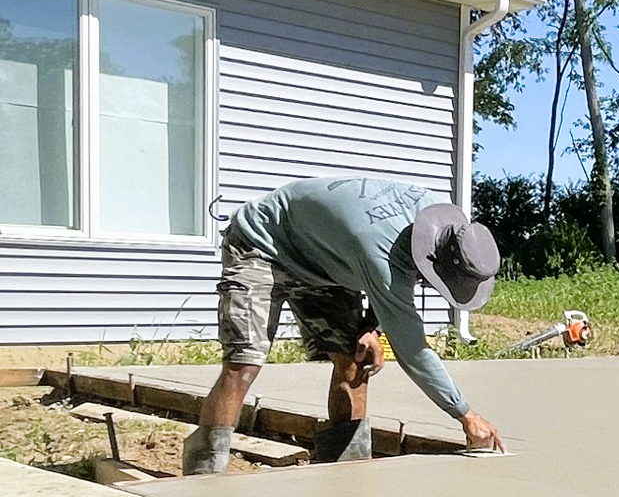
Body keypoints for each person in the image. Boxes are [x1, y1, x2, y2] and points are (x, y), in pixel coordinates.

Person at [182, 177, 504, 475]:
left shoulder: (443, 227)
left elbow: (396, 279)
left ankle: (345, 470)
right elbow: (413, 351)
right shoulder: (378, 250)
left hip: (322, 260)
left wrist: (371, 328)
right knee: (244, 362)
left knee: (356, 358)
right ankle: (204, 472)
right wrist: (466, 416)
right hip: (260, 242)